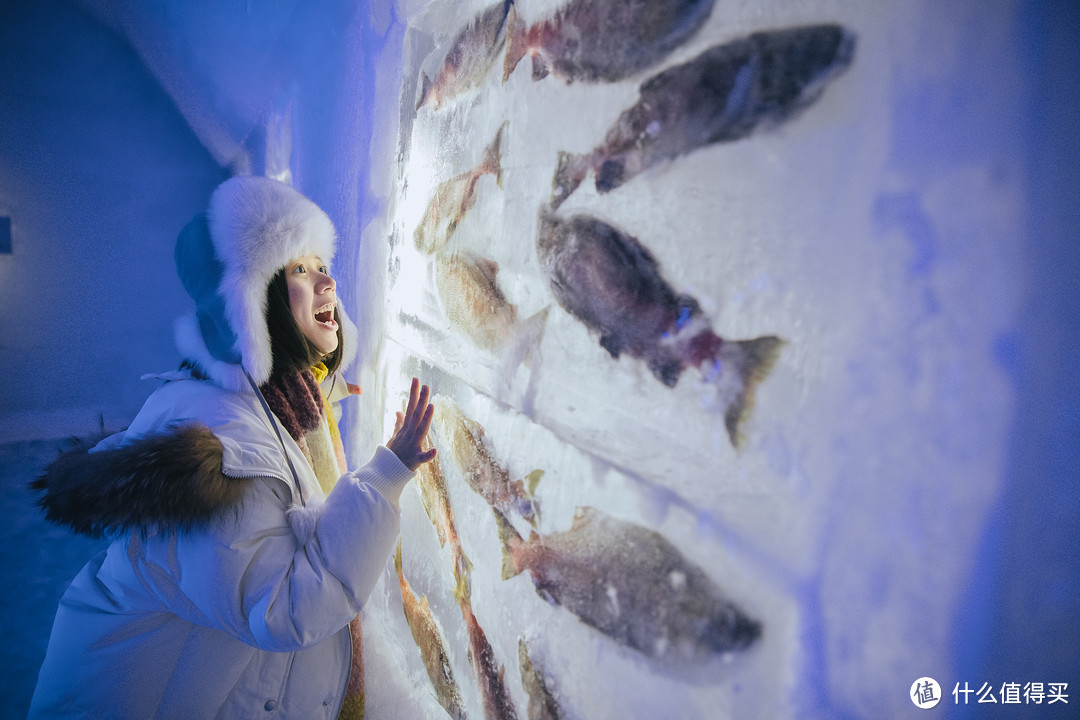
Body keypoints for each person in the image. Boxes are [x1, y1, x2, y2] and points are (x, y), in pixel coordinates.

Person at [28, 175, 435, 719]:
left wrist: (320, 392)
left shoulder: (255, 402)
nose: (328, 281)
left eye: (322, 265)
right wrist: (386, 476)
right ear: (251, 305)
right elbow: (287, 608)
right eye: (299, 269)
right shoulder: (222, 458)